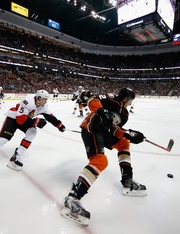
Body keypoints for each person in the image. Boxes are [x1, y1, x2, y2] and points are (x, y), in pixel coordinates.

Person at [61, 88, 146, 226]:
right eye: (130, 100)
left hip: (104, 132)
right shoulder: (111, 99)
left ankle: (127, 180)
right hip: (91, 129)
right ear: (125, 98)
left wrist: (128, 134)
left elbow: (114, 128)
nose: (131, 103)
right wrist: (101, 111)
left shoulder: (124, 115)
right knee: (100, 161)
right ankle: (72, 198)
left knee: (124, 143)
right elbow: (91, 100)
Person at [0, 90, 66, 174]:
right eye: (44, 99)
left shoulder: (43, 106)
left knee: (32, 132)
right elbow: (20, 120)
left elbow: (50, 117)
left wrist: (59, 125)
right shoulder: (28, 101)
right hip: (13, 118)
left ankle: (17, 156)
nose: (46, 101)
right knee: (2, 140)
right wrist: (37, 121)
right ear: (39, 98)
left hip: (25, 119)